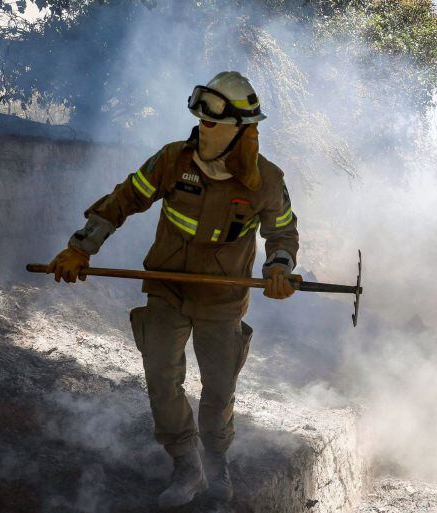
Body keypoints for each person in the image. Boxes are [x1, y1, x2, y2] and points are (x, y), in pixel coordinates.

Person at [47, 71, 300, 509]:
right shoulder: (171, 160)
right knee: (162, 380)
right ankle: (186, 463)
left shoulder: (267, 181)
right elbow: (124, 198)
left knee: (219, 389)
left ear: (240, 129)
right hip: (166, 289)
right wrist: (80, 247)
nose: (202, 129)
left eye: (212, 123)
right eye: (200, 120)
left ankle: (216, 459)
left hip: (222, 300)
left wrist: (279, 268)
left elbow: (283, 233)